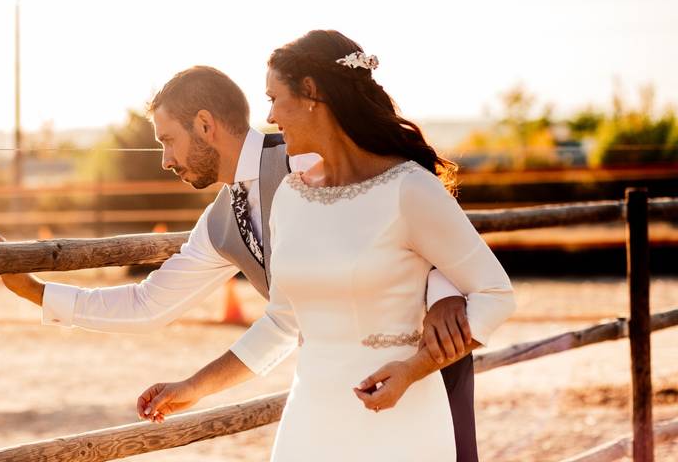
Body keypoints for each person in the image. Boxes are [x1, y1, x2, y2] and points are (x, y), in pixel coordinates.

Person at [0, 64, 483, 459]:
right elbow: (150, 305)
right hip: (331, 387)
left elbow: (416, 204)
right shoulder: (220, 223)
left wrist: (443, 294)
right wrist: (36, 292)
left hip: (426, 368)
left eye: (168, 140)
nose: (165, 161)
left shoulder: (304, 159)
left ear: (206, 126)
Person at [134, 33, 516, 461]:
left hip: (399, 418)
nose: (271, 116)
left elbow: (496, 295)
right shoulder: (293, 197)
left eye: (275, 98)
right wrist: (194, 387)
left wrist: (414, 369)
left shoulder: (410, 189)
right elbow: (282, 323)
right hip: (311, 421)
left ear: (312, 93)